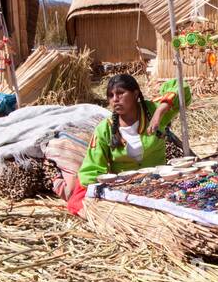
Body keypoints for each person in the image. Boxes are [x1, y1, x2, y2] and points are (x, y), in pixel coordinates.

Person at [69, 74, 191, 215]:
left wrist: (160, 111)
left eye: (120, 93)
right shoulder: (105, 129)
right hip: (125, 192)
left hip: (160, 185)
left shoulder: (151, 112)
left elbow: (182, 88)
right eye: (110, 95)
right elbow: (92, 168)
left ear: (135, 94)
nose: (115, 99)